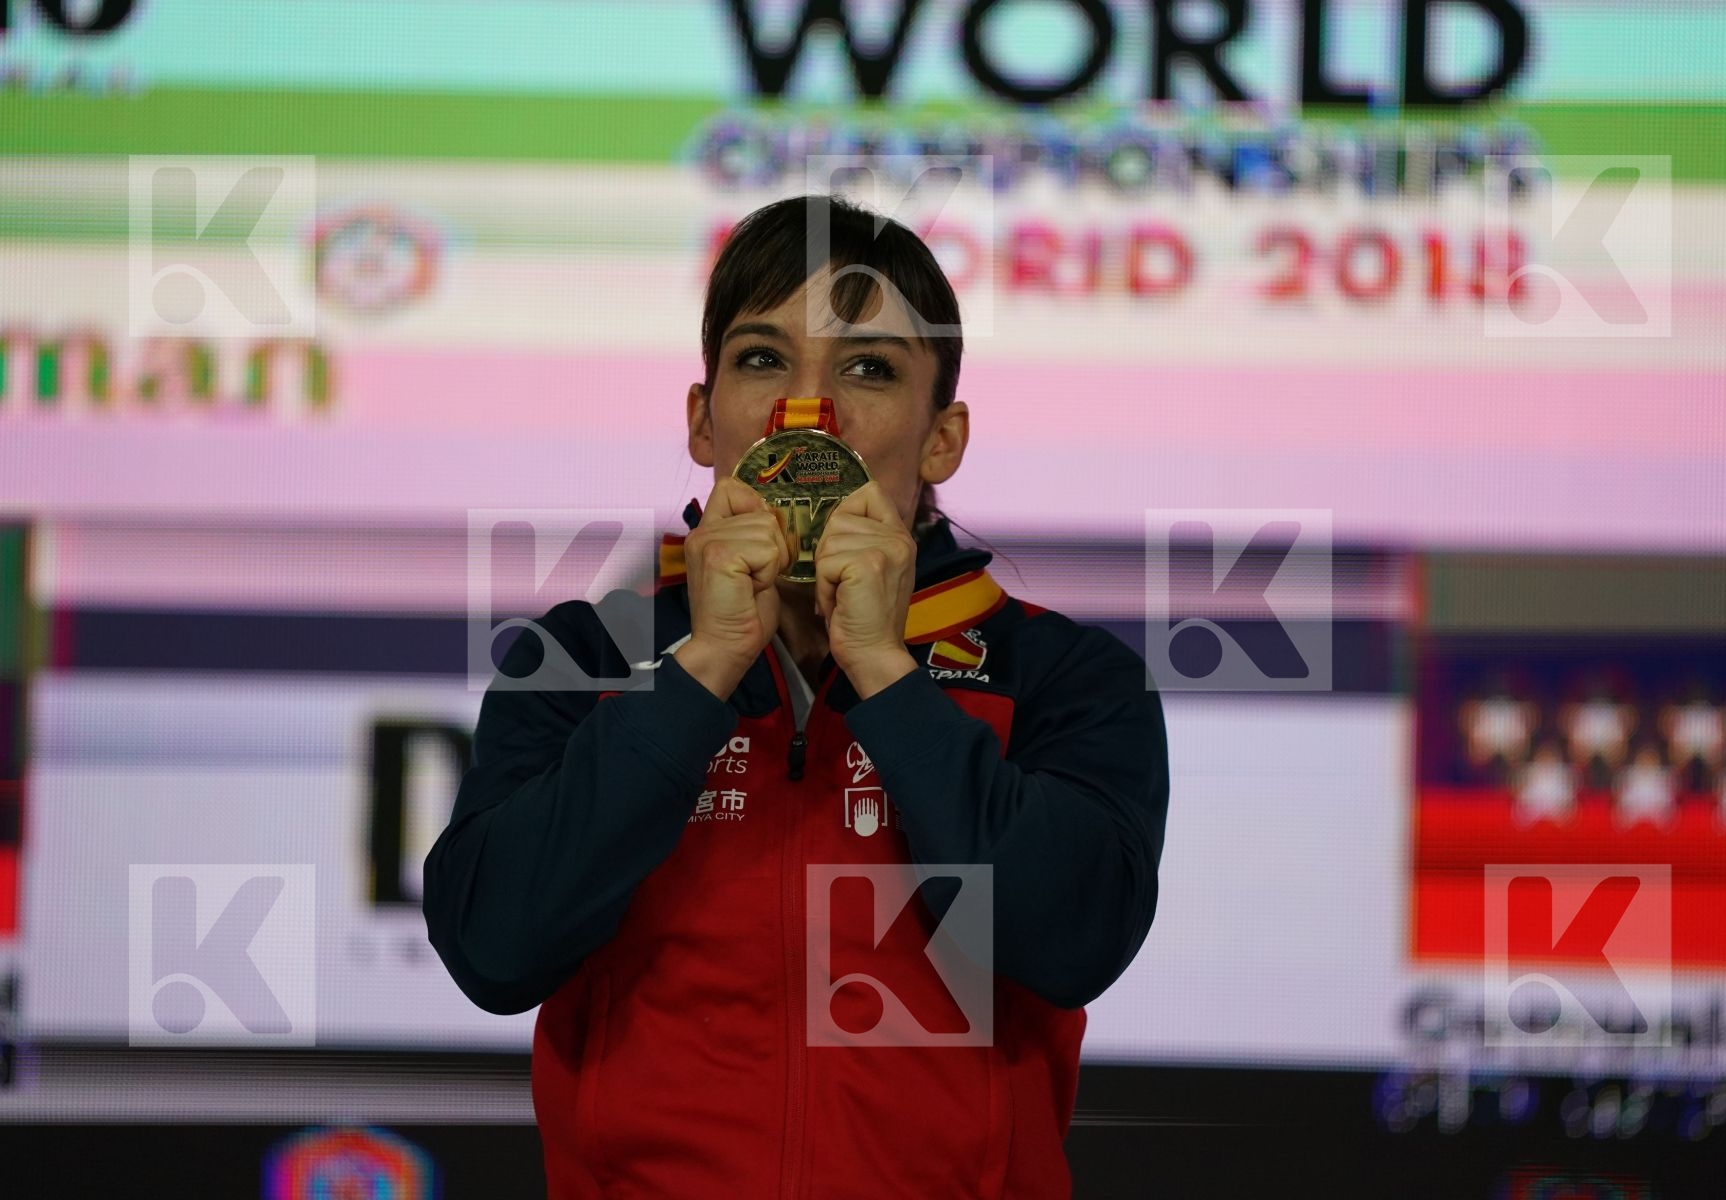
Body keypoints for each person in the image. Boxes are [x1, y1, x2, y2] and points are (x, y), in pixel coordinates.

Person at [423, 194, 1172, 1199]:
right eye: (763, 360)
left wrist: (886, 673)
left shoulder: (1064, 677)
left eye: (869, 369)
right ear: (702, 418)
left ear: (943, 438)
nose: (804, 416)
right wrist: (704, 665)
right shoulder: (582, 659)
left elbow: (1068, 942)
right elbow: (494, 950)